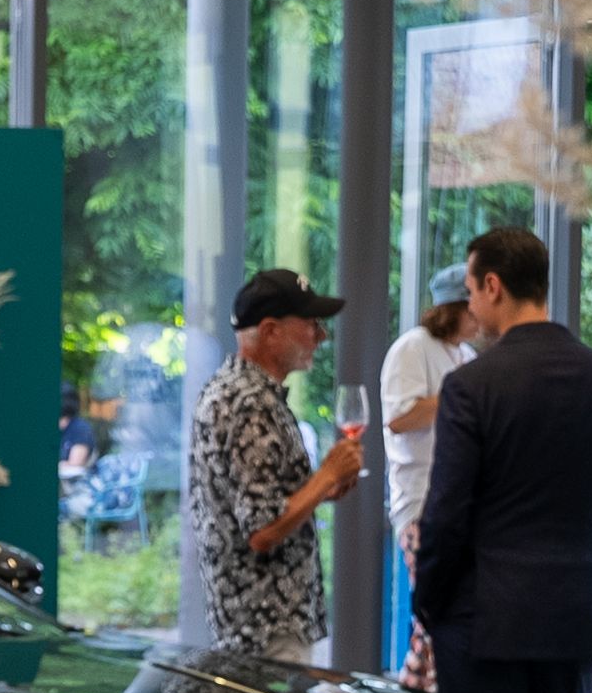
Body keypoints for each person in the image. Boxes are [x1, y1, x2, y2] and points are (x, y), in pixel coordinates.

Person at [411, 225, 592, 693]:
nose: (470, 305)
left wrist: (428, 604)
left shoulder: (472, 386)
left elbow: (447, 512)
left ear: (493, 285)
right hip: (574, 625)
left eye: (470, 291)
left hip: (485, 624)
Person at [184, 268, 360, 661]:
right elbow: (262, 530)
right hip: (265, 623)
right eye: (311, 325)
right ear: (270, 331)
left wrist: (321, 490)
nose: (321, 336)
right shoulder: (250, 404)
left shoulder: (237, 391)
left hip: (259, 619)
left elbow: (256, 503)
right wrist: (326, 476)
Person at [380, 292, 475, 548]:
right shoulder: (413, 346)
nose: (478, 314)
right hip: (422, 501)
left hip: (462, 500)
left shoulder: (467, 355)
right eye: (471, 307)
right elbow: (399, 420)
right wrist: (462, 393)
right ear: (452, 310)